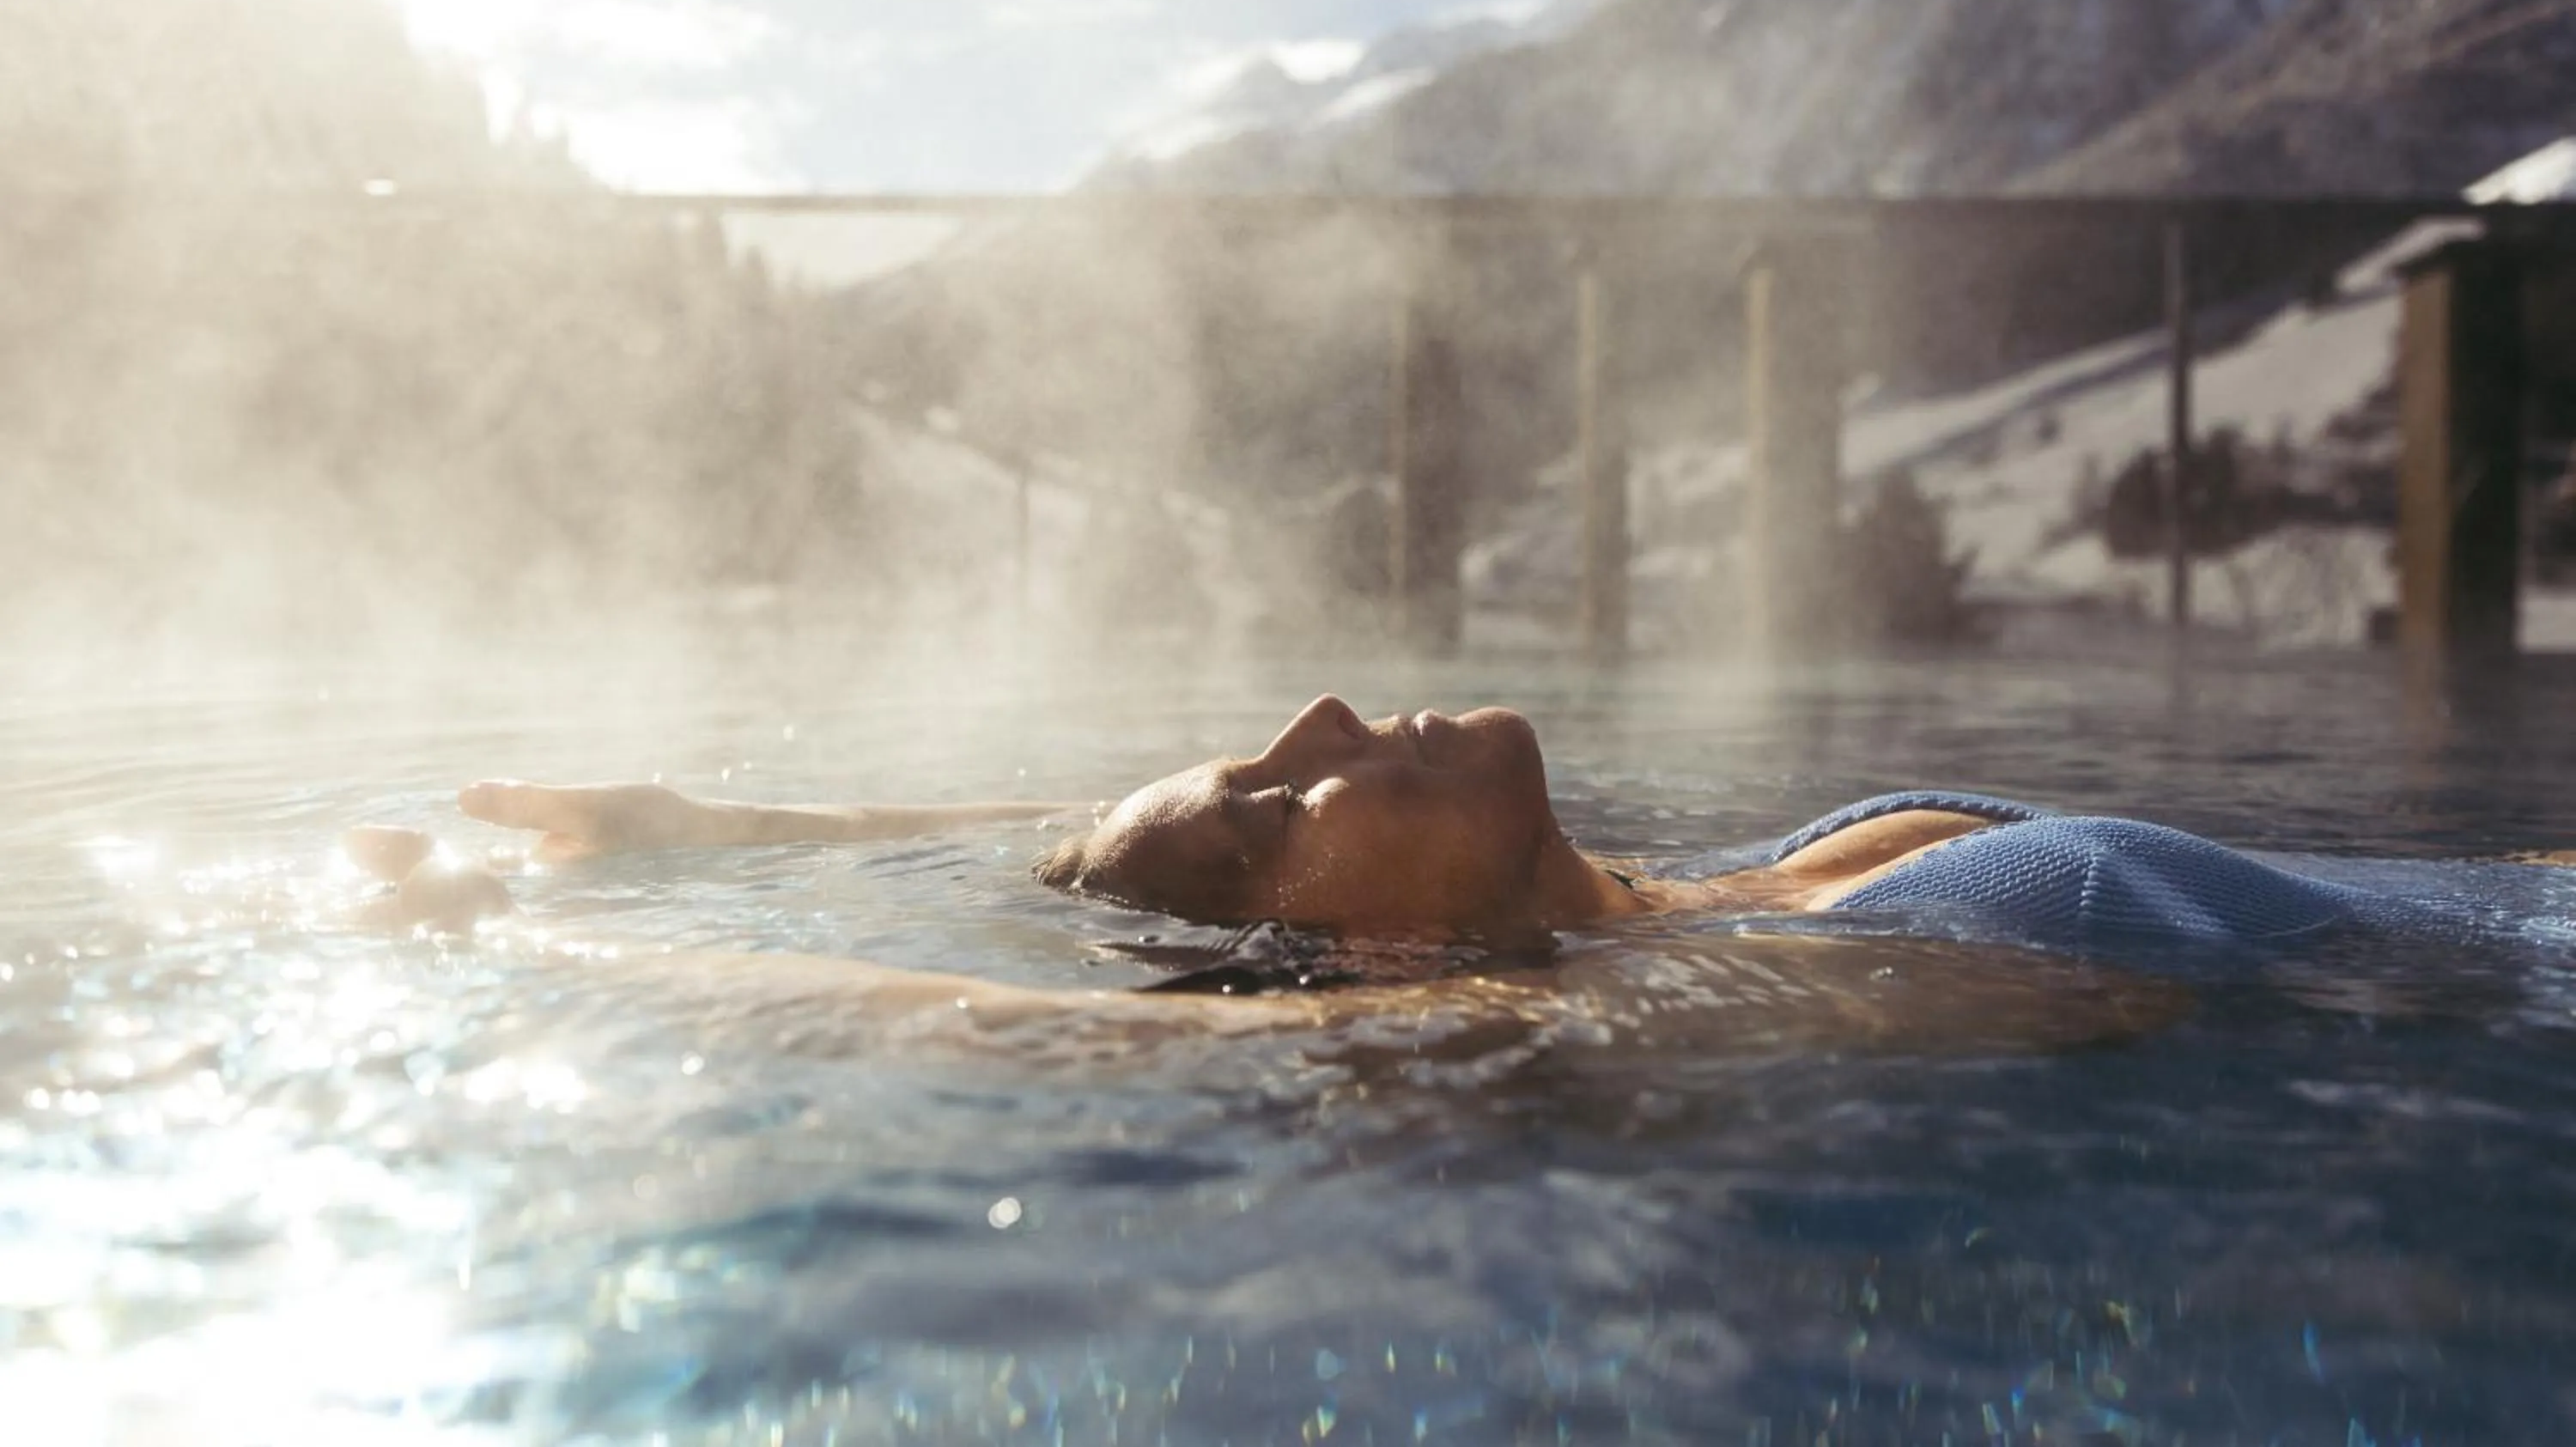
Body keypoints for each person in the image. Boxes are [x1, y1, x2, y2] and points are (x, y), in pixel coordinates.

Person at [350, 696, 2478, 1006]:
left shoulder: (1713, 885)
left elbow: (1044, 851)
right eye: (1285, 804)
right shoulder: (1749, 1020)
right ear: (1371, 961)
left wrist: (705, 829)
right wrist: (535, 957)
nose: (1330, 721)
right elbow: (1025, 1032)